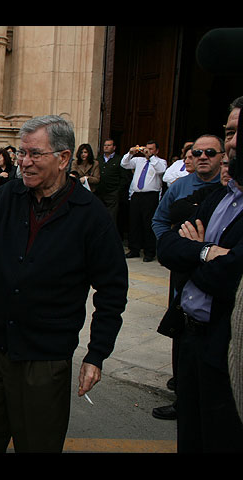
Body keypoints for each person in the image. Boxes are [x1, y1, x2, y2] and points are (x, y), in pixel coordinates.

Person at [0, 115, 128, 453]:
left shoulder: (91, 216)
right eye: (21, 153)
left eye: (35, 154)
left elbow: (112, 290)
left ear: (63, 158)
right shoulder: (8, 197)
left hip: (44, 358)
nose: (24, 162)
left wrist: (97, 354)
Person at [156, 96, 243, 452]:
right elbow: (167, 248)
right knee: (191, 435)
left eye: (239, 133)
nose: (234, 141)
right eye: (231, 131)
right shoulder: (219, 197)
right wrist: (207, 252)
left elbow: (231, 280)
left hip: (227, 346)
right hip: (191, 340)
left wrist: (195, 255)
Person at [150, 135, 225, 421]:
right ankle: (182, 392)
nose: (202, 156)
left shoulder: (226, 190)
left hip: (215, 271)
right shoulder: (180, 186)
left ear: (220, 157)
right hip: (184, 269)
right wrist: (171, 248)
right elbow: (159, 220)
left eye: (209, 152)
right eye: (197, 152)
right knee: (181, 326)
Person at [121, 140, 167, 262]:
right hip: (137, 195)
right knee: (134, 223)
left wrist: (151, 157)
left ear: (156, 151)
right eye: (146, 148)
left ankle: (149, 252)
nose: (147, 151)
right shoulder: (138, 161)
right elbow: (124, 164)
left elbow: (161, 170)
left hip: (150, 196)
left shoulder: (160, 161)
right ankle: (134, 249)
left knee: (148, 224)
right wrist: (130, 153)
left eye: (151, 149)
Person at [95, 138, 127, 226]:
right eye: (105, 145)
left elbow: (124, 177)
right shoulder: (98, 160)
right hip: (99, 192)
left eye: (109, 145)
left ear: (114, 147)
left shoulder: (119, 160)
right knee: (98, 215)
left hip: (112, 193)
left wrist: (118, 190)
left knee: (111, 217)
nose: (106, 147)